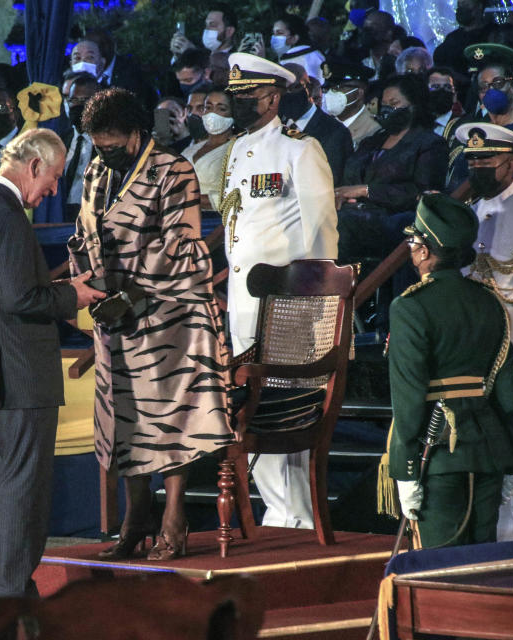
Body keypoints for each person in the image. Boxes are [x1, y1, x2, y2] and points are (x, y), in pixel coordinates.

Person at [70, 87, 234, 559]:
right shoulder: (97, 170)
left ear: (137, 132)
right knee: (123, 412)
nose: (105, 151)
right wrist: (90, 280)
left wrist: (131, 293)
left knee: (168, 416)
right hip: (115, 312)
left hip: (170, 311)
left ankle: (173, 516)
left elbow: (179, 244)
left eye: (113, 142)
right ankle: (136, 513)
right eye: (98, 143)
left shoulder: (173, 170)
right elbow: (85, 232)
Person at [0, 128, 103, 599]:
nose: (55, 189)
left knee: (0, 493)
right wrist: (72, 294)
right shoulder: (7, 215)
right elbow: (21, 297)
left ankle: (3, 588)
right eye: (54, 177)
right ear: (34, 165)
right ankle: (9, 596)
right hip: (15, 378)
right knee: (21, 495)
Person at [221, 53, 339, 529]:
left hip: (290, 304)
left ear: (272, 97)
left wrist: (317, 305)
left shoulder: (299, 149)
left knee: (289, 403)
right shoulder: (236, 151)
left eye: (247, 97)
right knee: (252, 403)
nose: (238, 105)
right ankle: (279, 509)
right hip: (243, 302)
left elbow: (322, 234)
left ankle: (299, 513)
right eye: (235, 97)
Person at [384, 193, 513, 548]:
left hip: (438, 454)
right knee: (481, 566)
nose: (411, 247)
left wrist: (406, 471)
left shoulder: (409, 307)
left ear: (425, 251)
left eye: (413, 240)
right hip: (489, 448)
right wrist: (510, 462)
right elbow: (506, 389)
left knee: (440, 574)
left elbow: (410, 398)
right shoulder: (489, 300)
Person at [454, 123, 513, 541]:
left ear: (509, 163)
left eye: (486, 161)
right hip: (478, 342)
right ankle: (494, 536)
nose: (477, 167)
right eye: (472, 160)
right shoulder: (463, 215)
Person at [337, 74, 448, 260]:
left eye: (394, 103)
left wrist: (366, 191)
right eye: (384, 104)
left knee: (340, 224)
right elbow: (351, 174)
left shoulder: (429, 144)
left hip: (394, 219)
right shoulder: (373, 140)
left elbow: (422, 194)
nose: (387, 109)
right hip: (355, 212)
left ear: (414, 107)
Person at [281, 63, 353, 185]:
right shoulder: (278, 126)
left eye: (292, 88)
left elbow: (332, 182)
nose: (286, 96)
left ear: (308, 89)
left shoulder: (334, 133)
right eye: (281, 91)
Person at [184, 88, 234, 209]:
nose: (212, 113)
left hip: (216, 220)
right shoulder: (190, 150)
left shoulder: (237, 149)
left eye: (221, 109)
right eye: (208, 107)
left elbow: (237, 197)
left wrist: (189, 198)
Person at [320, 61, 382, 148]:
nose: (330, 94)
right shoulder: (324, 126)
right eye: (327, 89)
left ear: (359, 93)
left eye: (337, 88)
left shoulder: (373, 129)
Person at [62, 74, 98, 220]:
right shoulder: (60, 141)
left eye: (84, 100)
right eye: (73, 100)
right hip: (60, 217)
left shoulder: (110, 144)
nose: (77, 105)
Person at [432, 0, 491, 89]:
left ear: (479, 5)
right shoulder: (452, 38)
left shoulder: (492, 34)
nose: (462, 7)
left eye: (466, 3)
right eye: (460, 4)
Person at [271, 15, 326, 83]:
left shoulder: (302, 56)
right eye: (274, 33)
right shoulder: (314, 53)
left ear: (294, 38)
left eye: (280, 33)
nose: (274, 37)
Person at [170, 4, 238, 57]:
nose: (207, 30)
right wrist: (178, 56)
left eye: (213, 25)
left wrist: (193, 54)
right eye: (206, 25)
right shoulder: (204, 52)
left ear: (229, 31)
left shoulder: (236, 60)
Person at [359, 11, 398, 80]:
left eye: (371, 28)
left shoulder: (399, 64)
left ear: (388, 33)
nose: (365, 32)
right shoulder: (364, 65)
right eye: (364, 28)